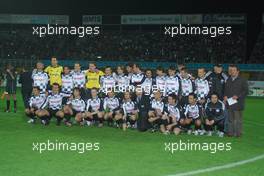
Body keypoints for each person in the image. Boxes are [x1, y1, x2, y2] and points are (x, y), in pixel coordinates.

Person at [224, 65, 248, 137]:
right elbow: (226, 90)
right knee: (230, 119)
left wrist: (238, 96)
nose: (232, 71)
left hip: (238, 103)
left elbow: (246, 91)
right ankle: (230, 133)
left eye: (234, 70)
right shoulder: (228, 79)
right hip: (229, 102)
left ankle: (238, 133)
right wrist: (225, 96)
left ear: (238, 71)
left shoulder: (243, 80)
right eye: (231, 70)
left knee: (238, 120)